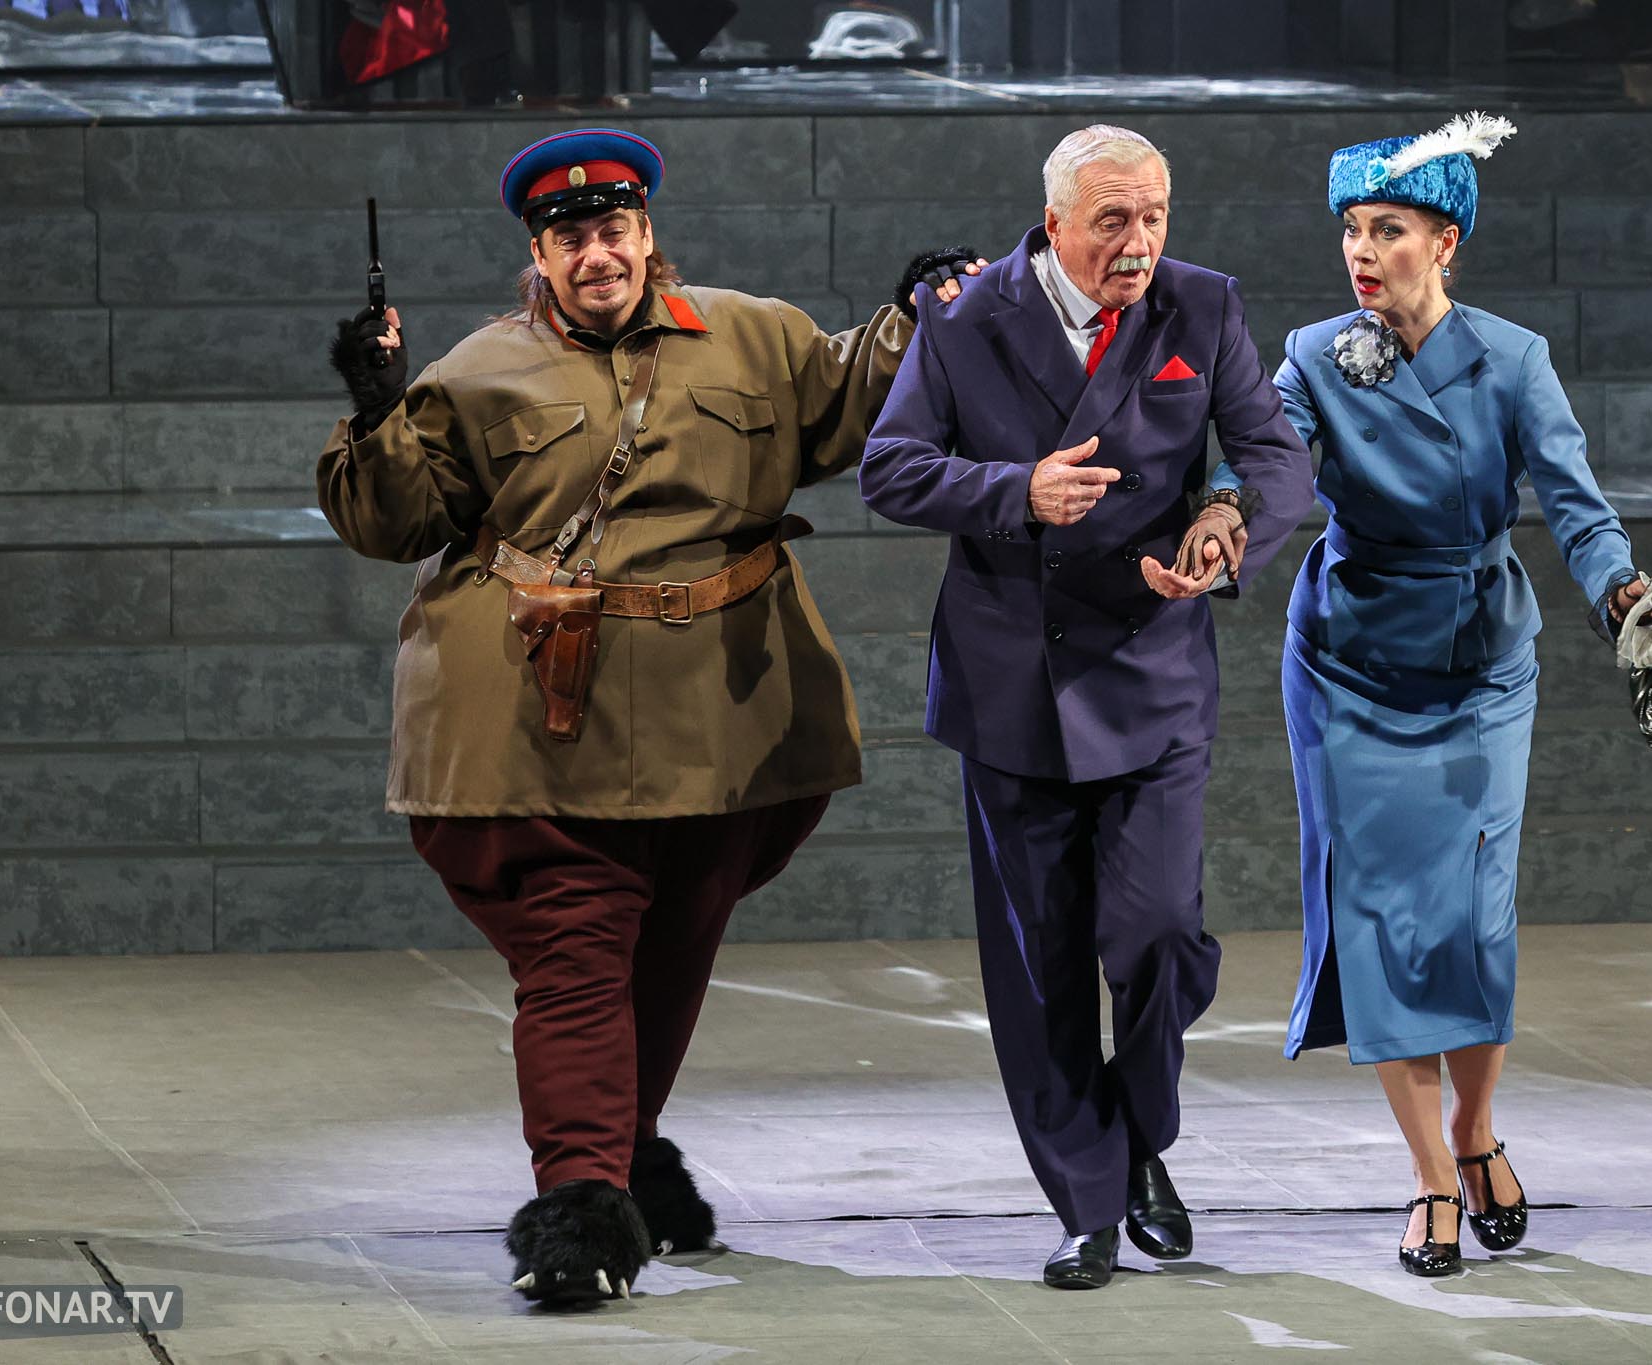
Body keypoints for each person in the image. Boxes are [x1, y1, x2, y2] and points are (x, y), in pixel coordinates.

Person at [317, 127, 978, 1308]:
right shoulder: (475, 372)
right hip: (542, 730)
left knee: (671, 954)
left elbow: (847, 398)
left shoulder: (753, 335)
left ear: (645, 234)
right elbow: (389, 522)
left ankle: (622, 1154)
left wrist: (915, 311)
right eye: (570, 238)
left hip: (721, 724)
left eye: (613, 230)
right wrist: (374, 405)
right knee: (576, 955)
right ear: (539, 253)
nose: (596, 255)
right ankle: (579, 1206)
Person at [860, 124, 1315, 1291]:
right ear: (1054, 221)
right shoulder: (962, 318)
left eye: (1154, 216)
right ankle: (1089, 1203)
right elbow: (890, 467)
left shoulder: (1201, 307)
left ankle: (1137, 1132)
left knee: (1158, 933)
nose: (1138, 241)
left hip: (1152, 672)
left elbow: (1274, 456)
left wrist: (1223, 525)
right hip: (1009, 689)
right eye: (1113, 219)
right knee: (1042, 970)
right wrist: (1015, 490)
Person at [1253, 112, 1652, 1276]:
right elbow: (1267, 468)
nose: (1361, 250)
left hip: (1481, 661)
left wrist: (1619, 593)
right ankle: (1430, 1180)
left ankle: (1474, 1129)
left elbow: (1576, 506)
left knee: (1471, 920)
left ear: (1444, 242)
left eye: (1387, 228)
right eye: (1350, 227)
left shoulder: (1513, 358)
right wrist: (1222, 519)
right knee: (1380, 919)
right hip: (1349, 660)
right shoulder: (1312, 354)